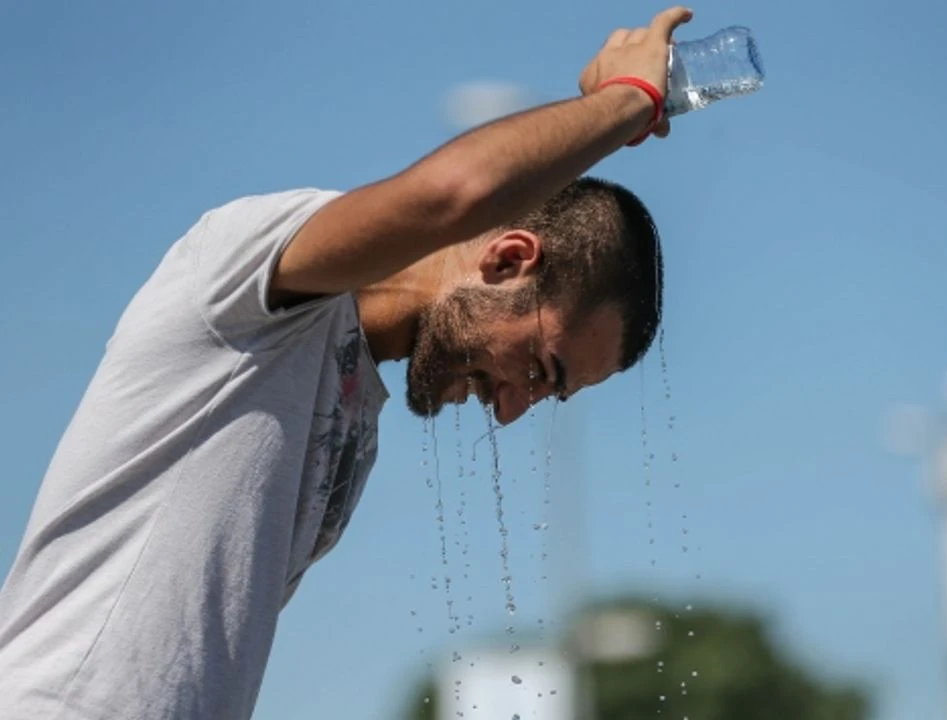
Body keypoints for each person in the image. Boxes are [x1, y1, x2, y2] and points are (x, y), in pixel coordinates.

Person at [0, 7, 693, 719]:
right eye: (542, 370)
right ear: (508, 260)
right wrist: (627, 100)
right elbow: (451, 195)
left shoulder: (355, 416)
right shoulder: (254, 278)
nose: (513, 410)